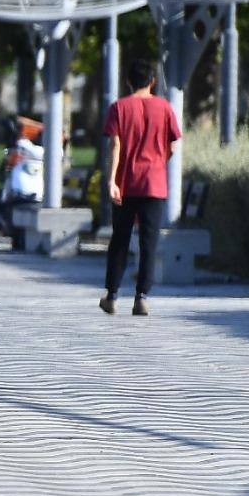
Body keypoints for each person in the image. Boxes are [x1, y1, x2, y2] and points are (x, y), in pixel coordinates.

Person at [100, 56, 181, 316]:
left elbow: (115, 145)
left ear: (127, 81)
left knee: (120, 241)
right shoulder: (165, 107)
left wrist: (112, 180)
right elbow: (173, 146)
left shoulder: (119, 108)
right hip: (154, 185)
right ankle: (141, 297)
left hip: (126, 183)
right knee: (149, 243)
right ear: (153, 81)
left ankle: (112, 296)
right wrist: (158, 163)